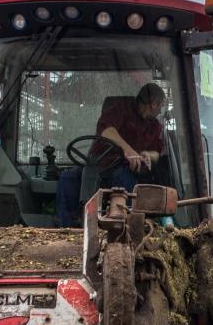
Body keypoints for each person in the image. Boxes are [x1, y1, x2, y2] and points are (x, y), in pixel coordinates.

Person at [55, 83, 167, 226]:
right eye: (160, 106)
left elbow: (157, 152)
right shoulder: (121, 110)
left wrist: (146, 154)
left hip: (123, 169)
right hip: (98, 165)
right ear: (154, 104)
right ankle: (66, 228)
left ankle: (121, 226)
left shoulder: (155, 126)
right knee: (67, 178)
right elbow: (107, 130)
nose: (160, 110)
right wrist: (128, 150)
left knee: (125, 180)